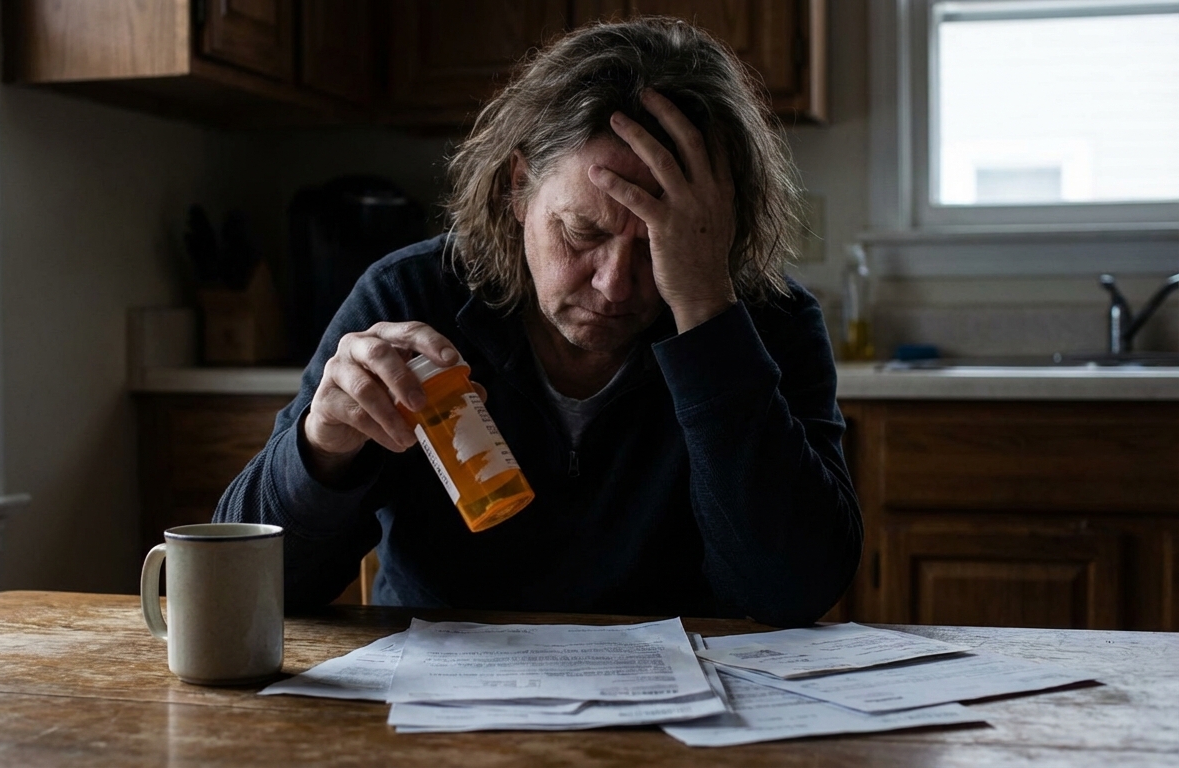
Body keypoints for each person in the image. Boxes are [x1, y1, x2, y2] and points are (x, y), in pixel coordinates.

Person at [214, 17, 861, 627]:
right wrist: (321, 447)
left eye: (665, 245)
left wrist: (705, 312)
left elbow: (792, 594)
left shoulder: (768, 324)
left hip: (682, 712)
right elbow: (248, 587)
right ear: (519, 187)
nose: (614, 285)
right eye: (582, 233)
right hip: (444, 701)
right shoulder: (409, 296)